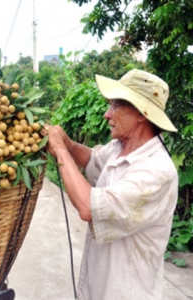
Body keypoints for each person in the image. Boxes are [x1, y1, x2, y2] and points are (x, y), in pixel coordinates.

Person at [43, 69, 178, 300]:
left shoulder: (156, 172)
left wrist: (60, 150)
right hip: (99, 284)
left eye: (116, 106)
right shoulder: (121, 146)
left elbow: (88, 207)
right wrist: (68, 143)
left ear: (141, 114)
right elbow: (93, 160)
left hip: (126, 292)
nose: (107, 114)